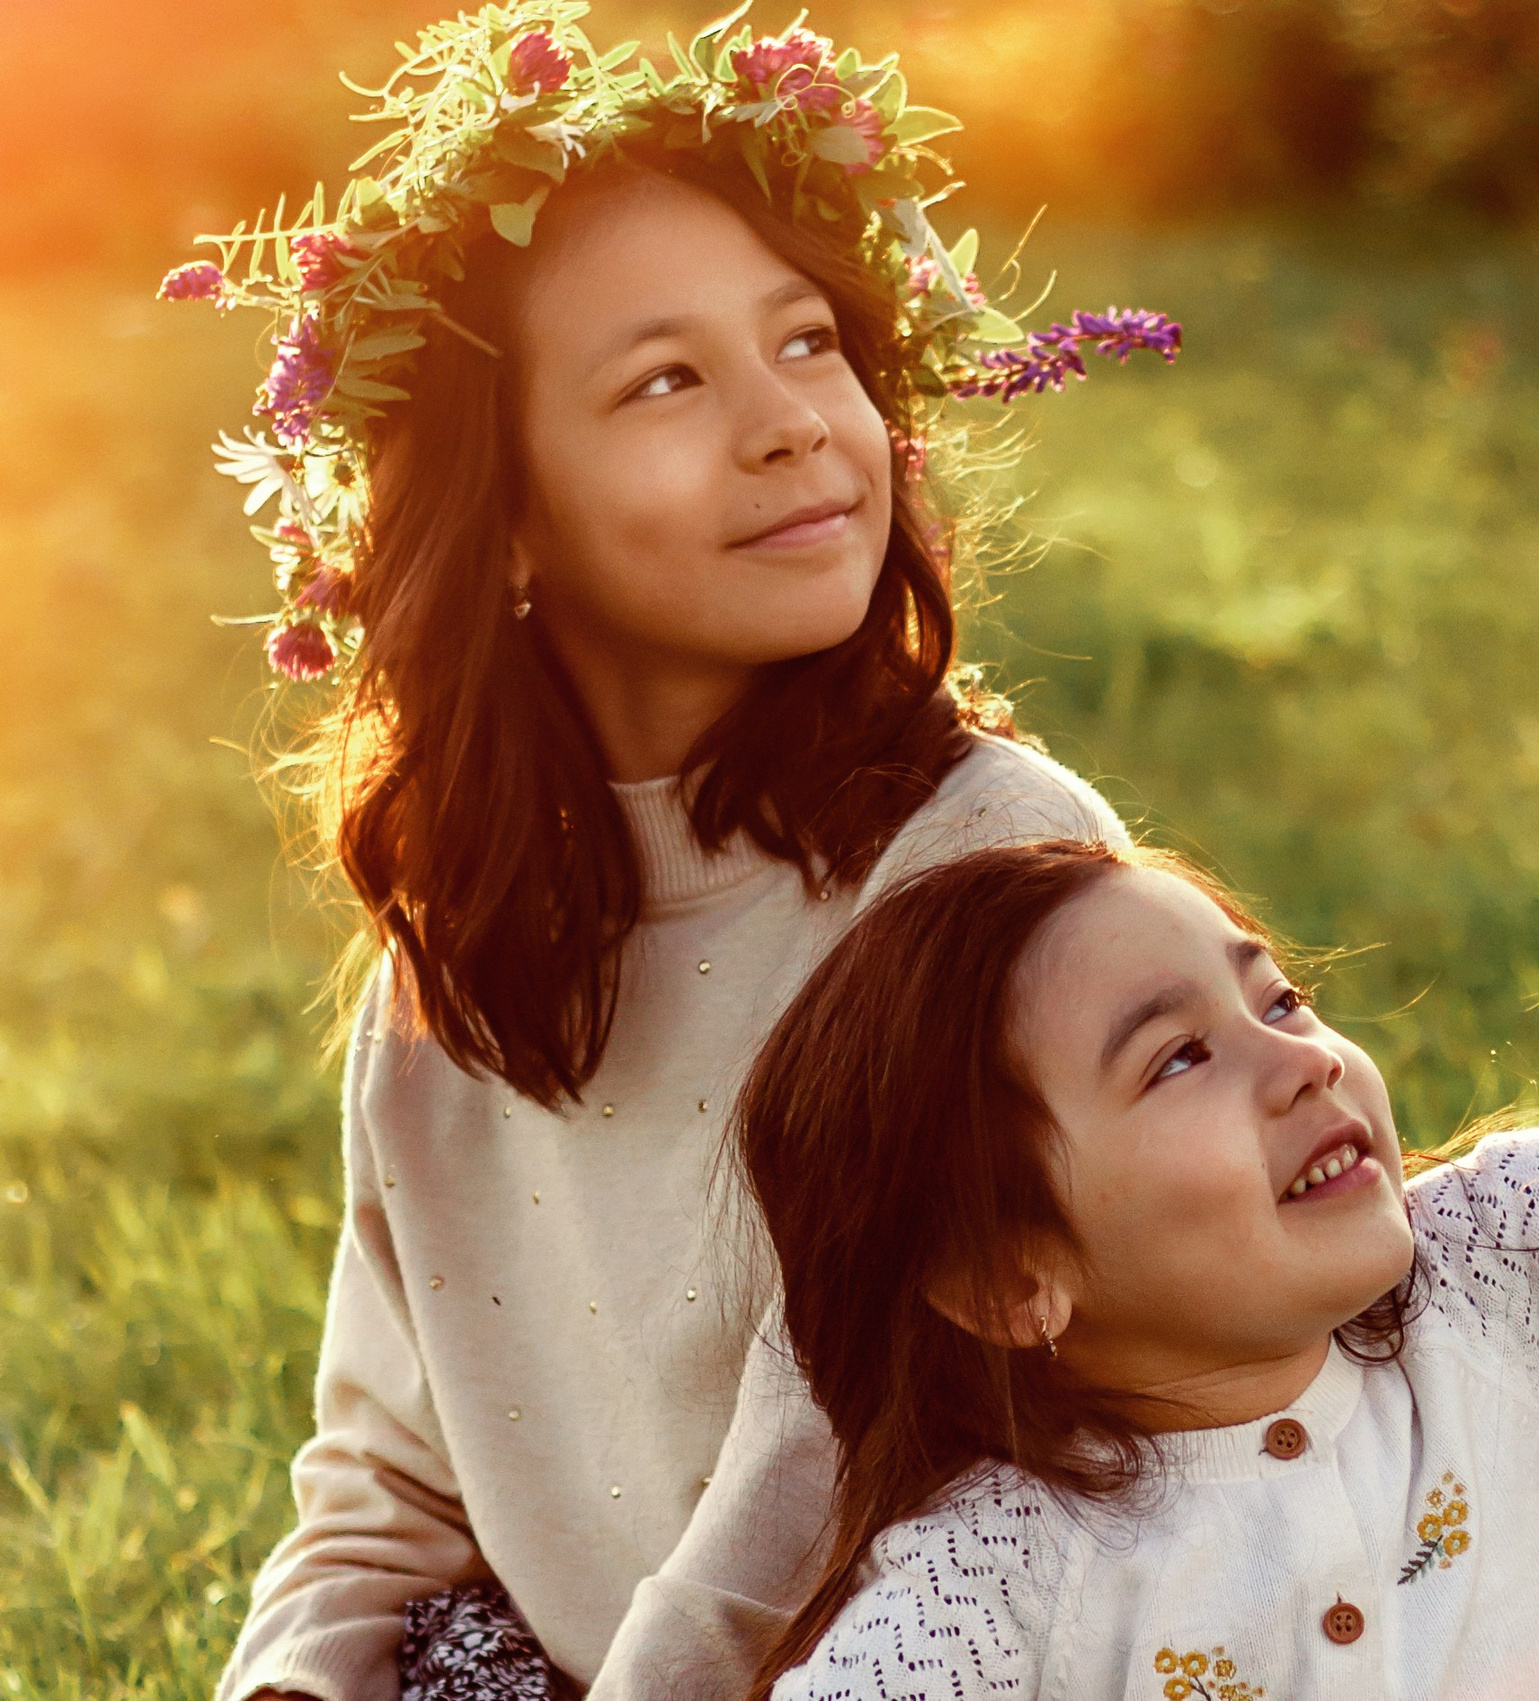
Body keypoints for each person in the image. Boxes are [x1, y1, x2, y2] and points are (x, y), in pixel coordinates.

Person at [156, 8, 1178, 1700]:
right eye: (665, 380)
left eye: (805, 342)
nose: (791, 424)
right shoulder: (460, 948)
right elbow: (389, 1474)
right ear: (506, 531)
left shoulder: (984, 864)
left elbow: (829, 1462)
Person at [731, 393, 1539, 1700]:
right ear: (1014, 1275)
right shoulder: (993, 1588)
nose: (1298, 1059)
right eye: (1176, 1057)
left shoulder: (1502, 1297)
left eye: (1281, 999)